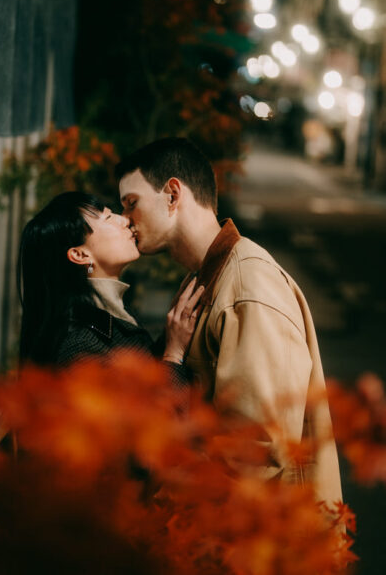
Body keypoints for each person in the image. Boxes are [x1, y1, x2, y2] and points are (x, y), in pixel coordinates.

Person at [116, 137, 342, 506]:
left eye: (131, 204)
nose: (126, 220)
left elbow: (256, 447)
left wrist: (167, 496)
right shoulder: (206, 276)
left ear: (173, 194)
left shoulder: (248, 284)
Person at [17, 191, 203, 376]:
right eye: (107, 218)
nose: (124, 220)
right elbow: (148, 405)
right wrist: (174, 354)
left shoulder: (112, 316)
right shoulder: (81, 347)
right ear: (80, 255)